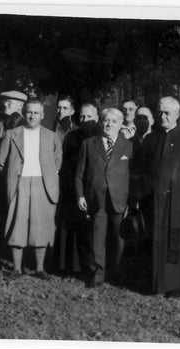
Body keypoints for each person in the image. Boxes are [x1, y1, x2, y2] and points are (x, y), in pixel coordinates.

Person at [138, 96, 180, 297]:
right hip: (153, 198)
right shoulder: (151, 138)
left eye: (167, 113)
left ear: (177, 114)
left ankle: (175, 284)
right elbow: (142, 169)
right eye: (160, 112)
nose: (162, 116)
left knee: (175, 239)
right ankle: (154, 281)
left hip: (178, 199)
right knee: (154, 239)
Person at [0, 98, 62, 280]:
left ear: (42, 115)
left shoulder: (51, 136)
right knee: (17, 224)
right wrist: (13, 177)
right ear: (24, 113)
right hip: (20, 183)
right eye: (29, 112)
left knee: (40, 225)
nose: (32, 116)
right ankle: (17, 269)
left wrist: (48, 176)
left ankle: (39, 268)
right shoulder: (12, 134)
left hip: (42, 184)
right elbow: (1, 162)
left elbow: (58, 160)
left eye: (36, 112)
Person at [75, 108, 133, 287]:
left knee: (119, 237)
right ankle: (96, 275)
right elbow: (79, 174)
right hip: (95, 199)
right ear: (101, 122)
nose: (109, 124)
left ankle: (117, 275)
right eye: (106, 120)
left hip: (119, 199)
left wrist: (130, 200)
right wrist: (80, 195)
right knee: (96, 237)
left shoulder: (129, 146)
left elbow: (134, 174)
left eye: (114, 122)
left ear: (121, 124)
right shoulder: (89, 144)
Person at [56, 103, 101, 275]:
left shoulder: (101, 136)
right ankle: (67, 265)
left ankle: (89, 265)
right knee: (70, 228)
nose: (85, 120)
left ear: (97, 118)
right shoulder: (72, 137)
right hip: (71, 187)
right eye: (82, 117)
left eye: (89, 117)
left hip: (93, 188)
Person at [0, 90, 27, 267]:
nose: (5, 105)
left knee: (17, 217)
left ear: (20, 106)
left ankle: (15, 257)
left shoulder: (26, 126)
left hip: (18, 179)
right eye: (4, 102)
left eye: (10, 103)